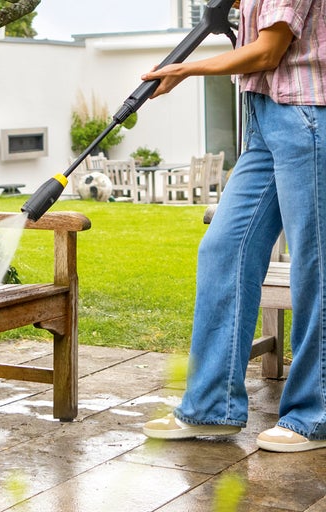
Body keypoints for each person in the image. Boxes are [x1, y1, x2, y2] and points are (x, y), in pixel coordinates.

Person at [141, 0, 326, 452]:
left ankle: (313, 415)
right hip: (263, 116)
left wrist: (185, 69)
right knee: (224, 249)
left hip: (306, 114)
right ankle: (212, 407)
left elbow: (268, 51)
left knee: (314, 265)